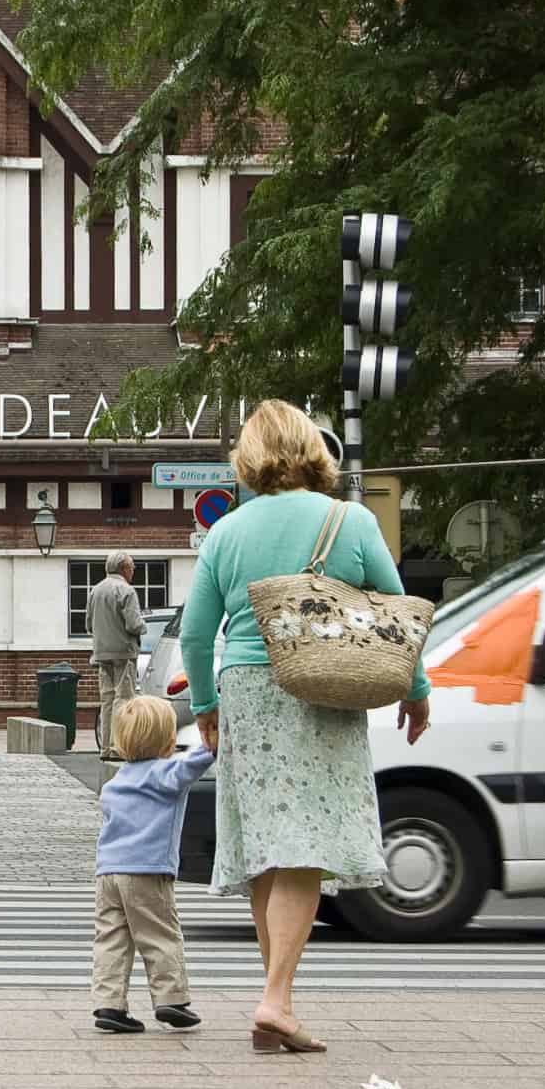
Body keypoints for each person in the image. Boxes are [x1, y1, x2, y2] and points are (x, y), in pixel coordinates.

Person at [180, 399, 431, 1055]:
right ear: (312, 451)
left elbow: (197, 629)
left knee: (269, 842)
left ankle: (277, 1000)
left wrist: (206, 706)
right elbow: (396, 612)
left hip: (245, 689)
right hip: (321, 684)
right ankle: (276, 999)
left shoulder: (227, 532)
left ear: (249, 457)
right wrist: (417, 690)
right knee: (304, 843)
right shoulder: (349, 520)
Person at [91, 695, 214, 1034]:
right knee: (160, 935)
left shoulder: (115, 782)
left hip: (108, 874)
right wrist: (215, 739)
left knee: (111, 938)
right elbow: (196, 763)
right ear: (167, 740)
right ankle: (170, 1000)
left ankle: (109, 1004)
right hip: (147, 870)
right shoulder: (165, 773)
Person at [88, 550, 148, 759]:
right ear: (123, 568)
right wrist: (143, 626)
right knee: (123, 699)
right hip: (124, 652)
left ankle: (105, 747)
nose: (133, 572)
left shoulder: (95, 591)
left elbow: (88, 625)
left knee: (107, 700)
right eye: (132, 568)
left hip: (102, 653)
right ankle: (117, 747)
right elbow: (133, 624)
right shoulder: (126, 590)